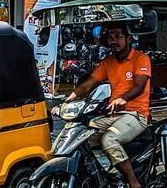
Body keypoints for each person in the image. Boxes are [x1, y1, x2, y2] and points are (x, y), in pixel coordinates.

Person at [60, 24, 152, 188]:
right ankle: (103, 176)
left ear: (128, 39)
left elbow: (139, 86)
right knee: (81, 136)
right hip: (113, 115)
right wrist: (66, 102)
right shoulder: (107, 62)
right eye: (110, 37)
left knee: (109, 139)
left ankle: (133, 182)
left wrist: (122, 99)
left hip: (136, 115)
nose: (114, 41)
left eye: (118, 36)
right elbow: (87, 86)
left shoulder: (141, 58)